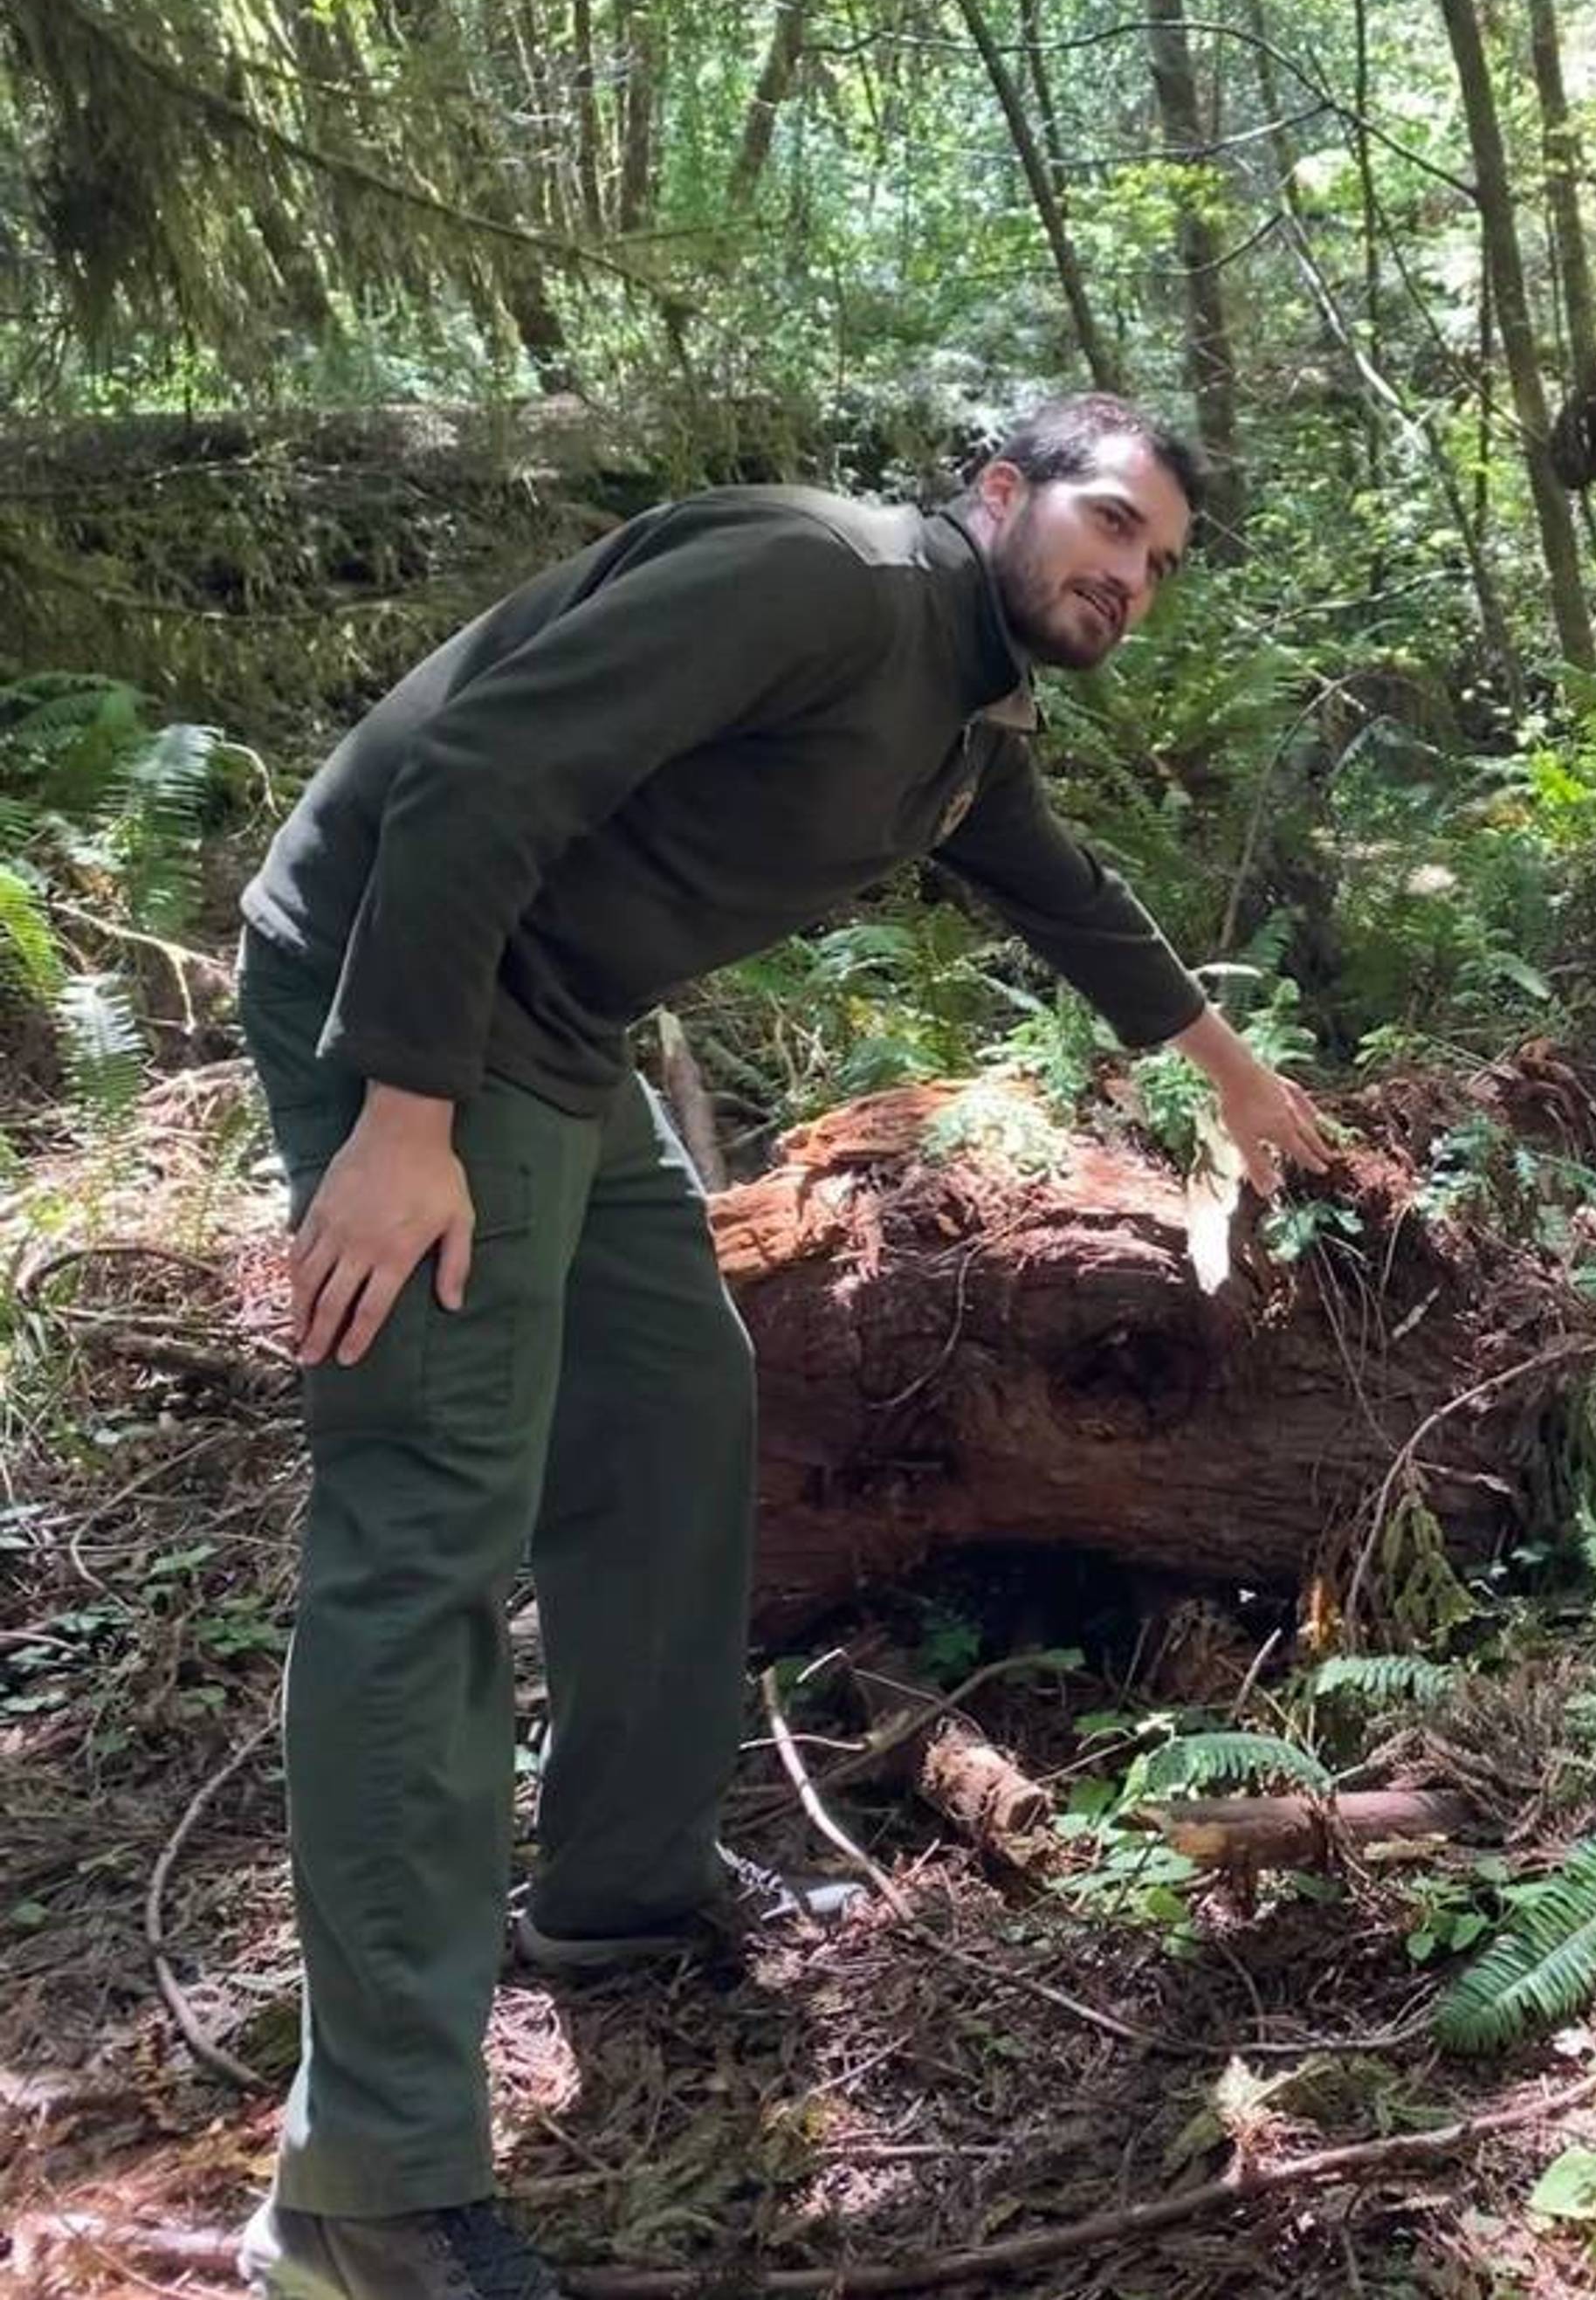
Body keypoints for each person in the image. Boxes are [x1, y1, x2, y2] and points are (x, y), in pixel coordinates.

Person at [230, 396, 1332, 2300]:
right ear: (997, 493)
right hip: (410, 998)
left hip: (559, 1035)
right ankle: (364, 2188)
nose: (1128, 580)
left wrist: (1229, 1077)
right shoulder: (821, 579)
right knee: (424, 1537)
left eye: (1156, 565)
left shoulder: (967, 711)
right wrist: (400, 1118)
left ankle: (623, 1898)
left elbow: (1057, 884)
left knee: (673, 1423)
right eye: (1107, 526)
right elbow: (480, 765)